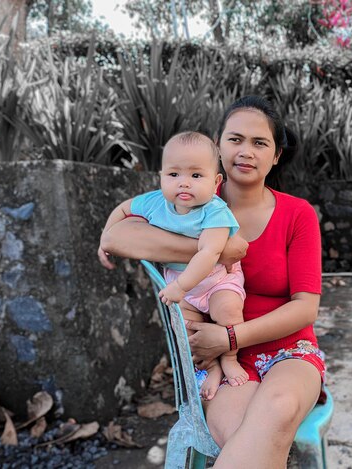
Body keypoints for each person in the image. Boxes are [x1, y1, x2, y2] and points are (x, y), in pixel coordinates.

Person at [99, 96, 325, 468]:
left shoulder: (297, 214)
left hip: (289, 351)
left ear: (277, 155)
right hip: (217, 359)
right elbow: (115, 238)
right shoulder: (187, 203)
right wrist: (214, 248)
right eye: (235, 139)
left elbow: (305, 307)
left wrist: (231, 336)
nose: (246, 151)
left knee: (279, 409)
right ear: (218, 146)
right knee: (246, 436)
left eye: (260, 143)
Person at [97, 131, 248, 400]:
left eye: (196, 175)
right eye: (174, 175)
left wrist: (180, 286)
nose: (184, 184)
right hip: (182, 287)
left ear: (216, 182)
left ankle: (230, 358)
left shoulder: (215, 211)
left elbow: (209, 252)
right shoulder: (156, 202)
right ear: (161, 176)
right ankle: (211, 368)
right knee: (188, 334)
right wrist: (104, 239)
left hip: (216, 280)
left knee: (228, 312)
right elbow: (122, 209)